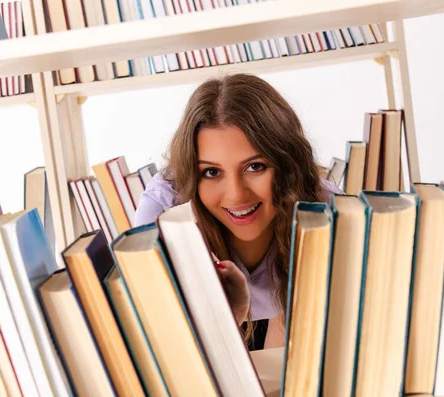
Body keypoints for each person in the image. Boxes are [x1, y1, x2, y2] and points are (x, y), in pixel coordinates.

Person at [134, 73, 343, 351]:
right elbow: (160, 350)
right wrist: (223, 319)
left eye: (255, 167)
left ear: (287, 166)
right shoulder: (162, 215)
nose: (236, 194)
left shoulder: (327, 213)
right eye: (211, 172)